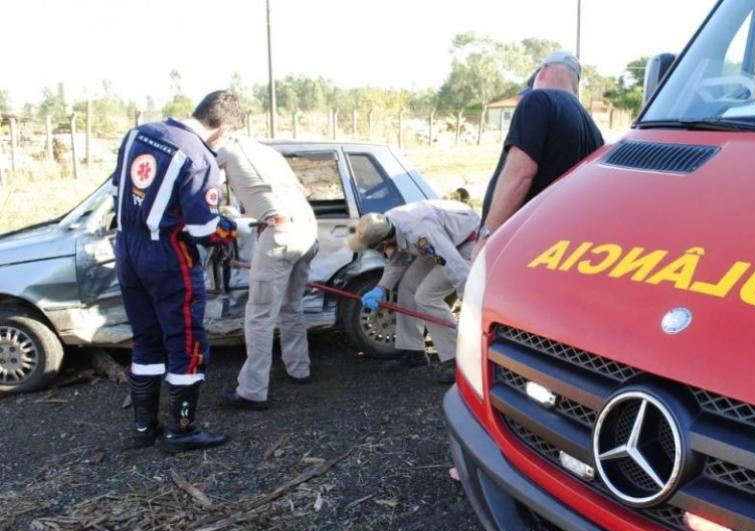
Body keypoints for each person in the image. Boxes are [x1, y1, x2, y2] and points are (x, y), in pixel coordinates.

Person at [116, 90, 244, 452]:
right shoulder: (200, 157)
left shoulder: (138, 134)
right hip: (168, 257)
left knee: (145, 339)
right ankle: (182, 430)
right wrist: (232, 228)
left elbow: (119, 192)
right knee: (187, 344)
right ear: (222, 129)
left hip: (127, 248)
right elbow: (205, 230)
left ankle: (144, 428)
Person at [217, 135, 319, 410]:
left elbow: (207, 189)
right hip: (308, 229)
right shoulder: (269, 154)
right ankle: (299, 369)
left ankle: (252, 391)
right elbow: (296, 189)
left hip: (280, 233)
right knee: (291, 306)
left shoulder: (224, 150)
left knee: (259, 316)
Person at [474, 51, 603, 257]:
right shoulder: (592, 128)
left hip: (519, 244)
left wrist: (487, 238)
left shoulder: (538, 100)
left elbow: (519, 175)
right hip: (557, 249)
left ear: (542, 72)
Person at [348, 200, 480, 384]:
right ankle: (414, 351)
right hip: (443, 243)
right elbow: (398, 261)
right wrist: (380, 288)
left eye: (377, 248)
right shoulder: (386, 224)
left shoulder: (420, 233)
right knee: (407, 287)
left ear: (384, 241)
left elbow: (452, 265)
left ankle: (457, 360)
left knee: (426, 297)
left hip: (466, 243)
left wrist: (471, 305)